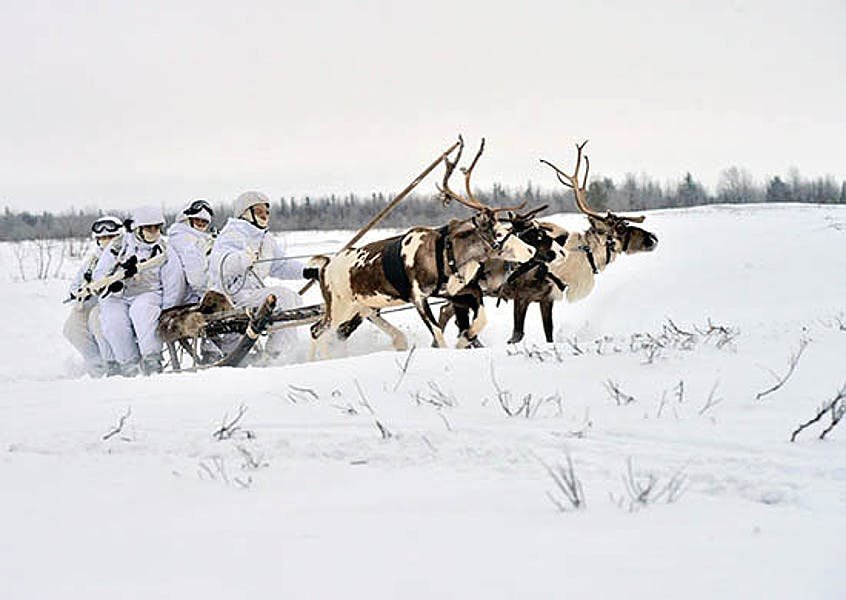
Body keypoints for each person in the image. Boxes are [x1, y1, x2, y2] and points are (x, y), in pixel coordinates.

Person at [208, 191, 305, 361]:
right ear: (246, 213)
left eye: (267, 212)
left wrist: (308, 272)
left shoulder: (265, 239)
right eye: (259, 211)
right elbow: (221, 267)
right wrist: (242, 260)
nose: (265, 216)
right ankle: (277, 355)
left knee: (294, 299)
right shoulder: (232, 233)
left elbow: (280, 265)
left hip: (253, 294)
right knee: (283, 297)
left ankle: (283, 351)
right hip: (232, 298)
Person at [93, 205, 185, 376]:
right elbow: (100, 273)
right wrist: (110, 284)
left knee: (142, 311)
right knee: (113, 320)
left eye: (156, 227)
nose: (153, 231)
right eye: (149, 228)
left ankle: (152, 360)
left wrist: (169, 309)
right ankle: (128, 365)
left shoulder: (164, 250)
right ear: (138, 229)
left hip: (148, 292)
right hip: (119, 295)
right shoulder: (119, 246)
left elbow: (174, 281)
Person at [63, 215, 124, 377]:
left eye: (110, 237)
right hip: (92, 303)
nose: (106, 241)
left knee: (97, 319)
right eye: (102, 238)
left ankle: (113, 362)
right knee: (72, 327)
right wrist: (79, 293)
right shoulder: (93, 259)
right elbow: (76, 284)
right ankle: (96, 364)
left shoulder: (124, 254)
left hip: (116, 303)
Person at [167, 199, 215, 304]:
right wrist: (212, 294)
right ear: (186, 219)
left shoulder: (198, 239)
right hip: (188, 299)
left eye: (204, 222)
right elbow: (197, 279)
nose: (201, 224)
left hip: (193, 294)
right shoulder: (185, 240)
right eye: (197, 220)